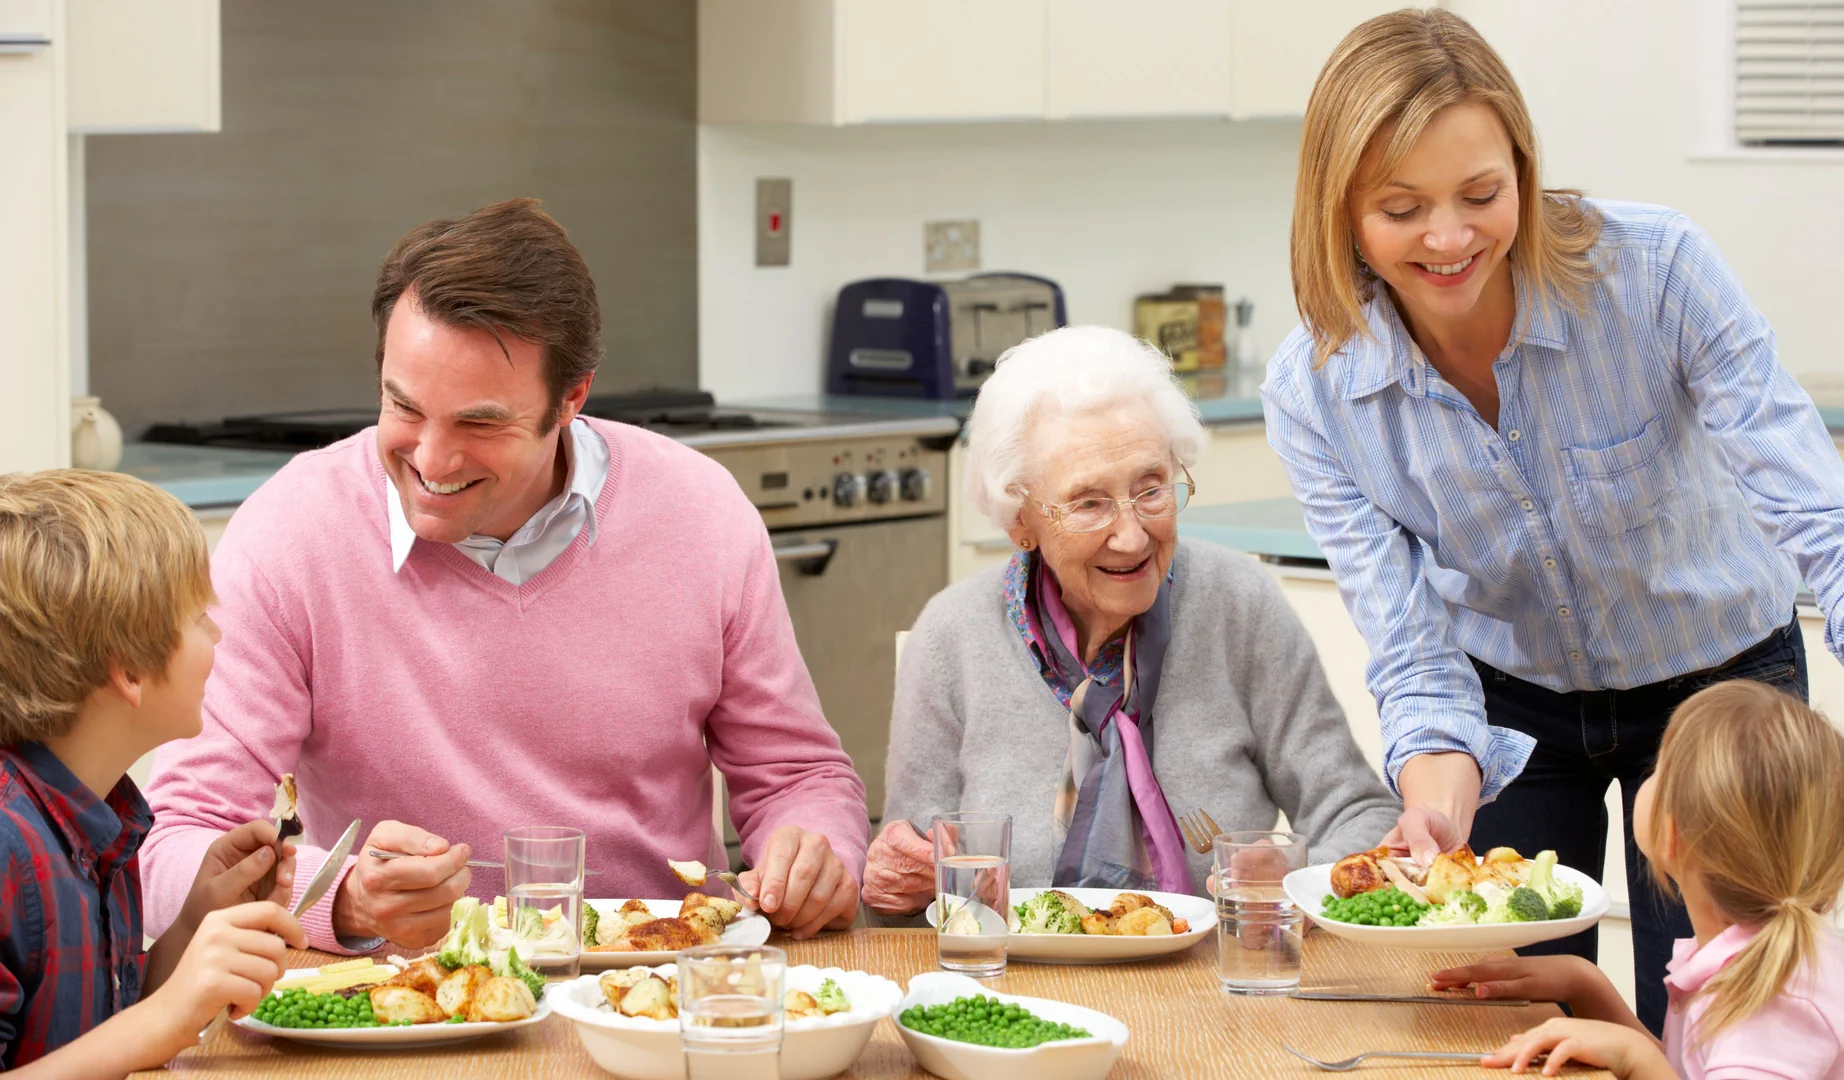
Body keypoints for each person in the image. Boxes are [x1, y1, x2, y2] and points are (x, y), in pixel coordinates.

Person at [1263, 9, 1844, 1031]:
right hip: (1515, 717)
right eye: (1401, 209)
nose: (1449, 238)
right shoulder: (1315, 391)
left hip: (1719, 696)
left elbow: (1817, 514)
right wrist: (1435, 807)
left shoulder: (1653, 272)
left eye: (1482, 194)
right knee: (1509, 1023)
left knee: (1718, 1026)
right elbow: (1411, 649)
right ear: (1339, 211)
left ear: (1522, 168)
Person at [141, 198, 869, 953]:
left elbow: (799, 779)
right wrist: (342, 899)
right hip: (401, 1006)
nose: (429, 459)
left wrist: (815, 851)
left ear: (572, 398)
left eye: (480, 423)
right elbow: (179, 842)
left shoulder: (700, 511)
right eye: (403, 407)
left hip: (657, 985)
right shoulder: (289, 533)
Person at [862, 326, 1400, 915]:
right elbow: (903, 883)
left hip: (1215, 983)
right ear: (1021, 521)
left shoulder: (1237, 604)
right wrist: (899, 882)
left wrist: (1297, 879)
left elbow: (1359, 814)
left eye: (1151, 489)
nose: (1132, 534)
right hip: (1018, 991)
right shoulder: (954, 634)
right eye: (1089, 503)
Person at [0, 470, 308, 1075]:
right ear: (130, 672)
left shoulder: (103, 816)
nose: (217, 633)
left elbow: (89, 1038)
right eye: (199, 618)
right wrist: (163, 1020)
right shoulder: (8, 848)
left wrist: (193, 927)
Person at [1432, 681, 1844, 1079]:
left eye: (1659, 766)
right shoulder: (1767, 959)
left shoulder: (1777, 1010)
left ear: (1674, 836)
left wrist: (1635, 1058)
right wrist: (1585, 984)